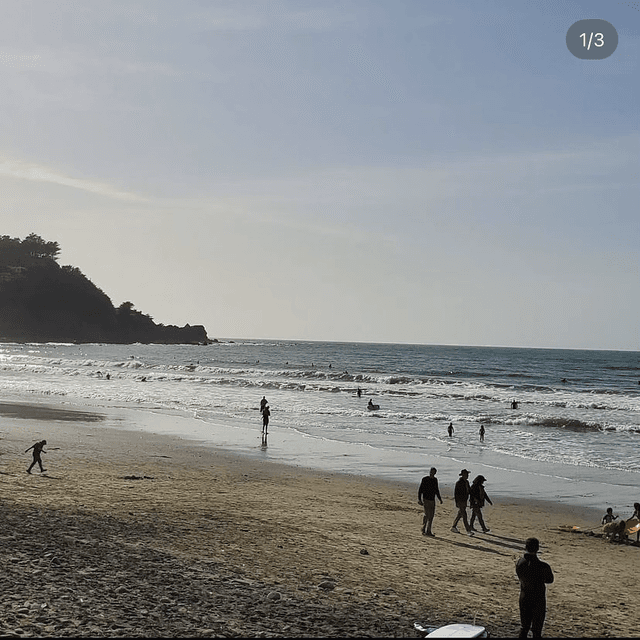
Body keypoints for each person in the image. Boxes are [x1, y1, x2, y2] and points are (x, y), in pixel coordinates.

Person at [516, 537, 554, 638]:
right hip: (538, 598)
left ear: (525, 547)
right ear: (537, 548)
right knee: (537, 630)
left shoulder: (520, 563)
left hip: (524, 596)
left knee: (524, 627)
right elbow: (550, 580)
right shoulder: (543, 566)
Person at [418, 467, 443, 537]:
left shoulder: (435, 480)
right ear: (430, 472)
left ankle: (428, 530)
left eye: (434, 472)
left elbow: (436, 490)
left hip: (432, 500)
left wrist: (440, 499)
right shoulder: (425, 479)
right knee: (427, 515)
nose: (432, 473)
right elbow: (420, 489)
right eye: (432, 472)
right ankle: (424, 528)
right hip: (426, 499)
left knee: (431, 516)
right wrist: (419, 499)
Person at [451, 469, 474, 536]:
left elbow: (469, 491)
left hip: (464, 501)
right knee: (464, 515)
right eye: (466, 475)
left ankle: (453, 526)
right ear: (463, 475)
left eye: (467, 475)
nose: (467, 476)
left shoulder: (466, 482)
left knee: (460, 514)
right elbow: (456, 493)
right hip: (460, 501)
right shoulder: (458, 483)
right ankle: (468, 530)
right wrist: (456, 502)